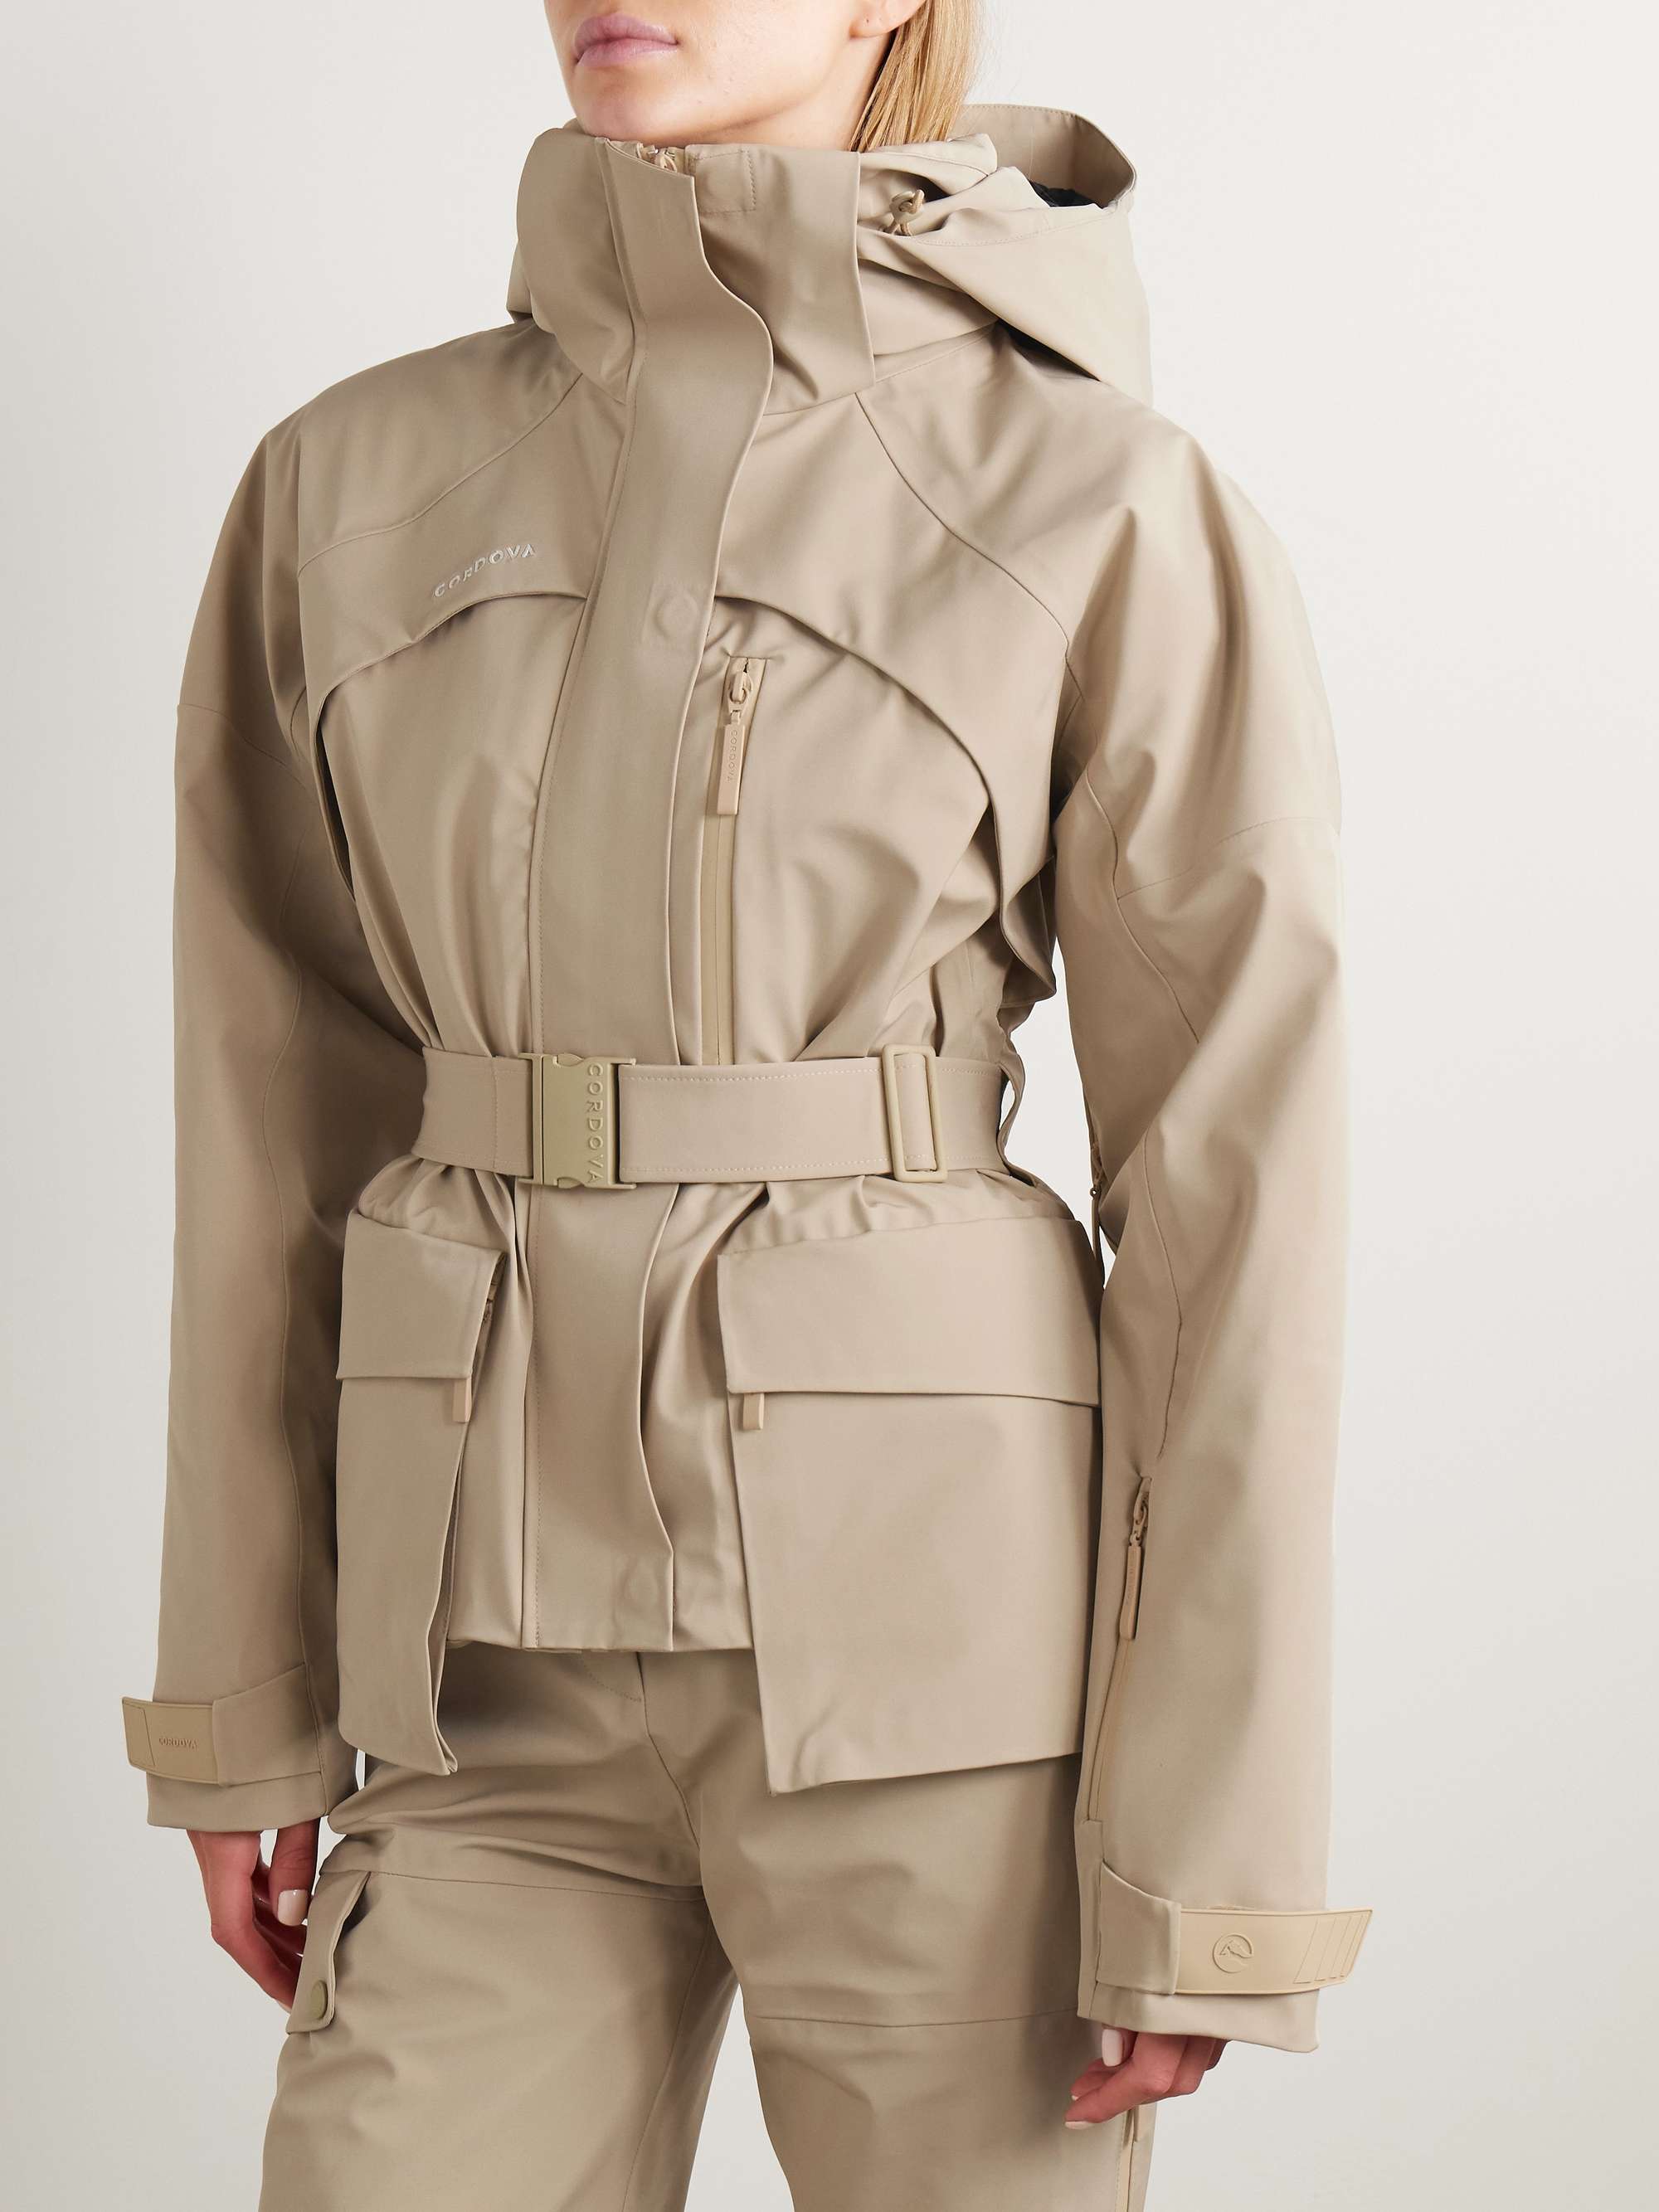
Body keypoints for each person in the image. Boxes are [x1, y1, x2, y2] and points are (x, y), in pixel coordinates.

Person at [121, 2, 1372, 2205]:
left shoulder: (1099, 498)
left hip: (933, 1677)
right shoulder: (347, 483)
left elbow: (1233, 1205)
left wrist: (1206, 1848)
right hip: (473, 1663)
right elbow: (269, 1125)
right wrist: (246, 1691)